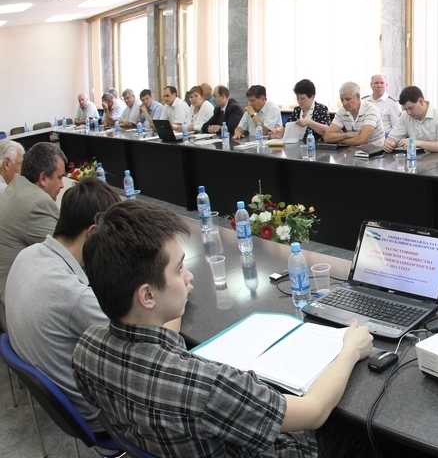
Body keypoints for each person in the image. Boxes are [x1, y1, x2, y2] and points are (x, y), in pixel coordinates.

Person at [72, 200, 374, 457]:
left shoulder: (87, 349)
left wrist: (173, 298)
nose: (189, 277)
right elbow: (314, 411)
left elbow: (156, 346)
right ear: (147, 296)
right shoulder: (204, 386)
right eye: (179, 269)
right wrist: (350, 350)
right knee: (358, 430)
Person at [6, 177, 133, 430]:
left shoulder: (27, 255)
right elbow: (137, 343)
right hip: (99, 415)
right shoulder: (72, 295)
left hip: (61, 399)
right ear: (93, 233)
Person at [0, 142, 67, 326]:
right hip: (16, 314)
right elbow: (66, 257)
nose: (62, 185)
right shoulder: (38, 204)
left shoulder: (15, 187)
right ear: (43, 178)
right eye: (59, 177)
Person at [383, 86, 438, 153]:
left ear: (421, 102)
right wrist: (390, 143)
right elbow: (393, 137)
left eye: (410, 108)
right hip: (416, 159)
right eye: (406, 109)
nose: (408, 113)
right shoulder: (405, 116)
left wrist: (418, 143)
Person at [325, 82, 385, 147]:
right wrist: (347, 134)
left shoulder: (370, 110)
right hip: (353, 149)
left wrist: (340, 141)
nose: (344, 103)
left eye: (348, 99)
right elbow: (327, 137)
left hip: (375, 151)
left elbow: (362, 140)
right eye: (342, 99)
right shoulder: (342, 111)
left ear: (358, 97)